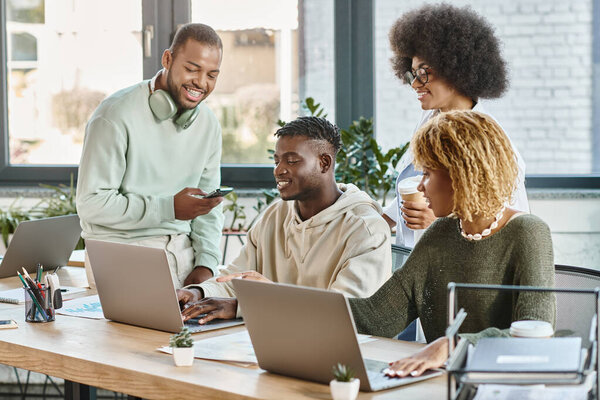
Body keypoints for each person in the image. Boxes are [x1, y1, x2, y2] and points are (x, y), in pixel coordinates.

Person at [349, 111, 555, 378]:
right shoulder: (441, 232)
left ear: (462, 175)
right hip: (440, 384)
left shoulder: (528, 232)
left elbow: (536, 332)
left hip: (499, 386)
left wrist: (453, 345)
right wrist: (302, 301)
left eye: (428, 174)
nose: (420, 187)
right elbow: (378, 317)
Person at [177, 116, 392, 323]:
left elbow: (343, 311)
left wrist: (243, 306)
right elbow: (235, 279)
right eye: (277, 160)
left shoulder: (366, 229)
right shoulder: (275, 215)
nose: (279, 170)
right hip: (273, 341)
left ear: (324, 163)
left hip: (340, 354)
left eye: (292, 160)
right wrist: (198, 292)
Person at [76, 23, 225, 289]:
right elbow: (91, 203)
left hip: (183, 255)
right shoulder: (114, 115)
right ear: (167, 59)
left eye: (211, 75)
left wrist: (206, 264)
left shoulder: (209, 124)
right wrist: (168, 208)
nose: (201, 83)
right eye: (192, 69)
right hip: (122, 256)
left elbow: (208, 207)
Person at [382, 4, 529, 248]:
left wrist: (440, 223)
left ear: (457, 69)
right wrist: (375, 222)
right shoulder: (432, 120)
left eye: (424, 73)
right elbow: (414, 192)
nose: (415, 84)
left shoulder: (489, 143)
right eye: (411, 75)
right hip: (414, 265)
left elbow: (511, 232)